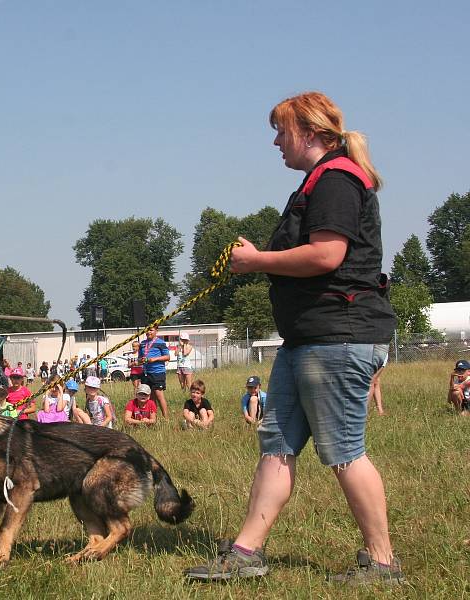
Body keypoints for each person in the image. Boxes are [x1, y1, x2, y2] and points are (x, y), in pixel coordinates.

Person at [185, 92, 401, 584]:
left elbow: (327, 255)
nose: (276, 141)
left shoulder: (338, 179)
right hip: (308, 339)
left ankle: (383, 561)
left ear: (308, 132)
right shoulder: (320, 180)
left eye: (281, 131)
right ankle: (245, 552)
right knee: (277, 444)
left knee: (344, 451)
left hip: (338, 336)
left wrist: (257, 260)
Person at [139, 326, 170, 417]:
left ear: (156, 331)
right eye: (147, 330)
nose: (148, 332)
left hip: (157, 372)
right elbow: (139, 358)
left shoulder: (161, 343)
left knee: (158, 394)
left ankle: (166, 418)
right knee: (149, 396)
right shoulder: (143, 344)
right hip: (146, 372)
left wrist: (154, 359)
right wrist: (142, 360)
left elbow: (167, 357)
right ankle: (153, 418)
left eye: (151, 330)